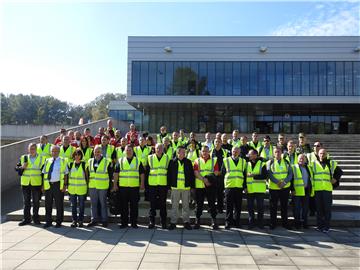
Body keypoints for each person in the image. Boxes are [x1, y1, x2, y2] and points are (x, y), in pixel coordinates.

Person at [310, 148, 342, 233]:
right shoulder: (313, 164)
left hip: (327, 189)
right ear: (318, 154)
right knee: (319, 209)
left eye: (323, 153)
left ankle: (326, 227)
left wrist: (335, 179)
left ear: (326, 154)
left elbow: (339, 171)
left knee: (327, 209)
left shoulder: (331, 163)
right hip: (317, 189)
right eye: (320, 153)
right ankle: (319, 226)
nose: (322, 155)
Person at [113, 145, 145, 229]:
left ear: (133, 151)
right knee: (124, 206)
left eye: (130, 150)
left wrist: (142, 184)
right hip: (123, 187)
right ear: (125, 151)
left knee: (134, 206)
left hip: (134, 187)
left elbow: (142, 173)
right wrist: (115, 184)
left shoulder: (138, 161)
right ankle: (124, 223)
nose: (128, 151)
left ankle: (134, 223)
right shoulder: (120, 161)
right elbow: (116, 173)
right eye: (127, 150)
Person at [87, 145, 119, 227]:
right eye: (95, 152)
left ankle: (104, 220)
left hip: (103, 186)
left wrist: (111, 185)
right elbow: (87, 173)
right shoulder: (90, 161)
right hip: (92, 186)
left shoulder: (106, 161)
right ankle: (94, 220)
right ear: (93, 152)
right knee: (93, 204)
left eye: (98, 152)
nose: (97, 153)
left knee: (103, 203)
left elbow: (111, 173)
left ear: (101, 152)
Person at [17, 143, 45, 226]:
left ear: (36, 149)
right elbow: (17, 169)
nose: (32, 150)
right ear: (28, 149)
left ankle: (36, 219)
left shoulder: (41, 158)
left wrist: (43, 184)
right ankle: (26, 219)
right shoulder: (23, 157)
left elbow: (44, 172)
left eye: (33, 148)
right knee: (26, 202)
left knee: (36, 202)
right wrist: (22, 167)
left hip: (36, 183)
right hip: (25, 183)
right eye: (30, 149)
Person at [167, 147, 195, 230]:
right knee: (174, 206)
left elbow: (191, 175)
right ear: (178, 153)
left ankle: (186, 222)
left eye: (185, 152)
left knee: (186, 206)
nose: (184, 153)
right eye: (182, 152)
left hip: (186, 188)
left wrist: (192, 187)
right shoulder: (172, 162)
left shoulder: (188, 162)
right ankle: (173, 222)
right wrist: (168, 187)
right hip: (175, 188)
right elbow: (169, 175)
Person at [193, 145, 220, 230]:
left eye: (206, 151)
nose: (205, 153)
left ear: (209, 152)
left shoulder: (214, 160)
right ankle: (197, 221)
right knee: (199, 205)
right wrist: (204, 180)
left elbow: (216, 172)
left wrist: (208, 180)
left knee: (212, 204)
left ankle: (214, 221)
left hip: (210, 186)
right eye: (203, 151)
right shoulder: (197, 160)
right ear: (201, 152)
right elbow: (196, 172)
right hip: (200, 186)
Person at [42, 145, 69, 228]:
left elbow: (65, 174)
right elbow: (44, 173)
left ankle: (58, 221)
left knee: (59, 204)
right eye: (53, 151)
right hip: (48, 185)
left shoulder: (63, 161)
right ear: (50, 152)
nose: (54, 153)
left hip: (58, 185)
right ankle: (48, 221)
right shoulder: (47, 160)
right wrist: (43, 185)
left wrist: (65, 185)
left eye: (56, 151)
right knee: (48, 204)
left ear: (59, 152)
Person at [267, 147, 293, 230]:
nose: (277, 153)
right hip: (274, 188)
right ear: (273, 153)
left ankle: (285, 223)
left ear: (281, 152)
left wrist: (284, 182)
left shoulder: (286, 162)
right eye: (275, 152)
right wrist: (278, 182)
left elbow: (290, 174)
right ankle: (272, 223)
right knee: (273, 207)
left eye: (278, 152)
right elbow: (269, 174)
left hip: (285, 188)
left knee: (284, 206)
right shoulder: (270, 162)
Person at [222, 146, 246, 229]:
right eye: (233, 151)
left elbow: (245, 175)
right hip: (229, 186)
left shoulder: (243, 161)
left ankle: (237, 222)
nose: (234, 152)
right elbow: (222, 174)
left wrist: (244, 186)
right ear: (231, 152)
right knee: (229, 206)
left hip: (239, 186)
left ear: (239, 152)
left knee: (238, 206)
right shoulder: (226, 160)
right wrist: (222, 187)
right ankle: (228, 222)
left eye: (236, 151)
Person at [147, 143, 170, 229]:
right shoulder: (150, 158)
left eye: (160, 148)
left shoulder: (167, 158)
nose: (159, 150)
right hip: (152, 184)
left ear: (163, 149)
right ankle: (151, 221)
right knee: (152, 204)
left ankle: (163, 222)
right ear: (154, 149)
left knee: (163, 204)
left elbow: (169, 171)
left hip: (163, 184)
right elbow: (147, 172)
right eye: (157, 148)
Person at [246, 150, 267, 229]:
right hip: (250, 189)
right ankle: (251, 223)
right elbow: (245, 176)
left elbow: (264, 175)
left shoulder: (262, 164)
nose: (249, 155)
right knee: (250, 207)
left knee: (260, 207)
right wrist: (245, 187)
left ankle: (260, 223)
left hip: (260, 189)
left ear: (255, 155)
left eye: (250, 154)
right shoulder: (247, 164)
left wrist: (253, 175)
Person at [68, 149, 89, 228]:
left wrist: (87, 186)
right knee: (73, 205)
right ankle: (74, 221)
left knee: (81, 205)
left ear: (81, 156)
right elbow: (67, 176)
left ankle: (80, 221)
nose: (77, 156)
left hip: (81, 188)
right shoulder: (70, 164)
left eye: (79, 155)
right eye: (75, 155)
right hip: (72, 188)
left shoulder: (84, 164)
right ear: (73, 156)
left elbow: (87, 176)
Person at [291, 154, 313, 229]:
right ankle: (297, 223)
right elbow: (291, 179)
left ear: (306, 160)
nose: (301, 160)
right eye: (300, 158)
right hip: (297, 191)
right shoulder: (294, 167)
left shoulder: (309, 168)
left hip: (306, 190)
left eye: (303, 158)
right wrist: (292, 189)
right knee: (296, 209)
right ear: (297, 159)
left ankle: (305, 223)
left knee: (305, 208)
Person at [210, 138, 229, 214]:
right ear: (214, 143)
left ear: (221, 143)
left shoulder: (225, 152)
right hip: (213, 175)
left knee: (220, 193)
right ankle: (212, 208)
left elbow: (227, 163)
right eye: (216, 142)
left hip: (221, 175)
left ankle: (220, 208)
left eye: (219, 142)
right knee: (212, 193)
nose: (217, 143)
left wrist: (222, 172)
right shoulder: (211, 152)